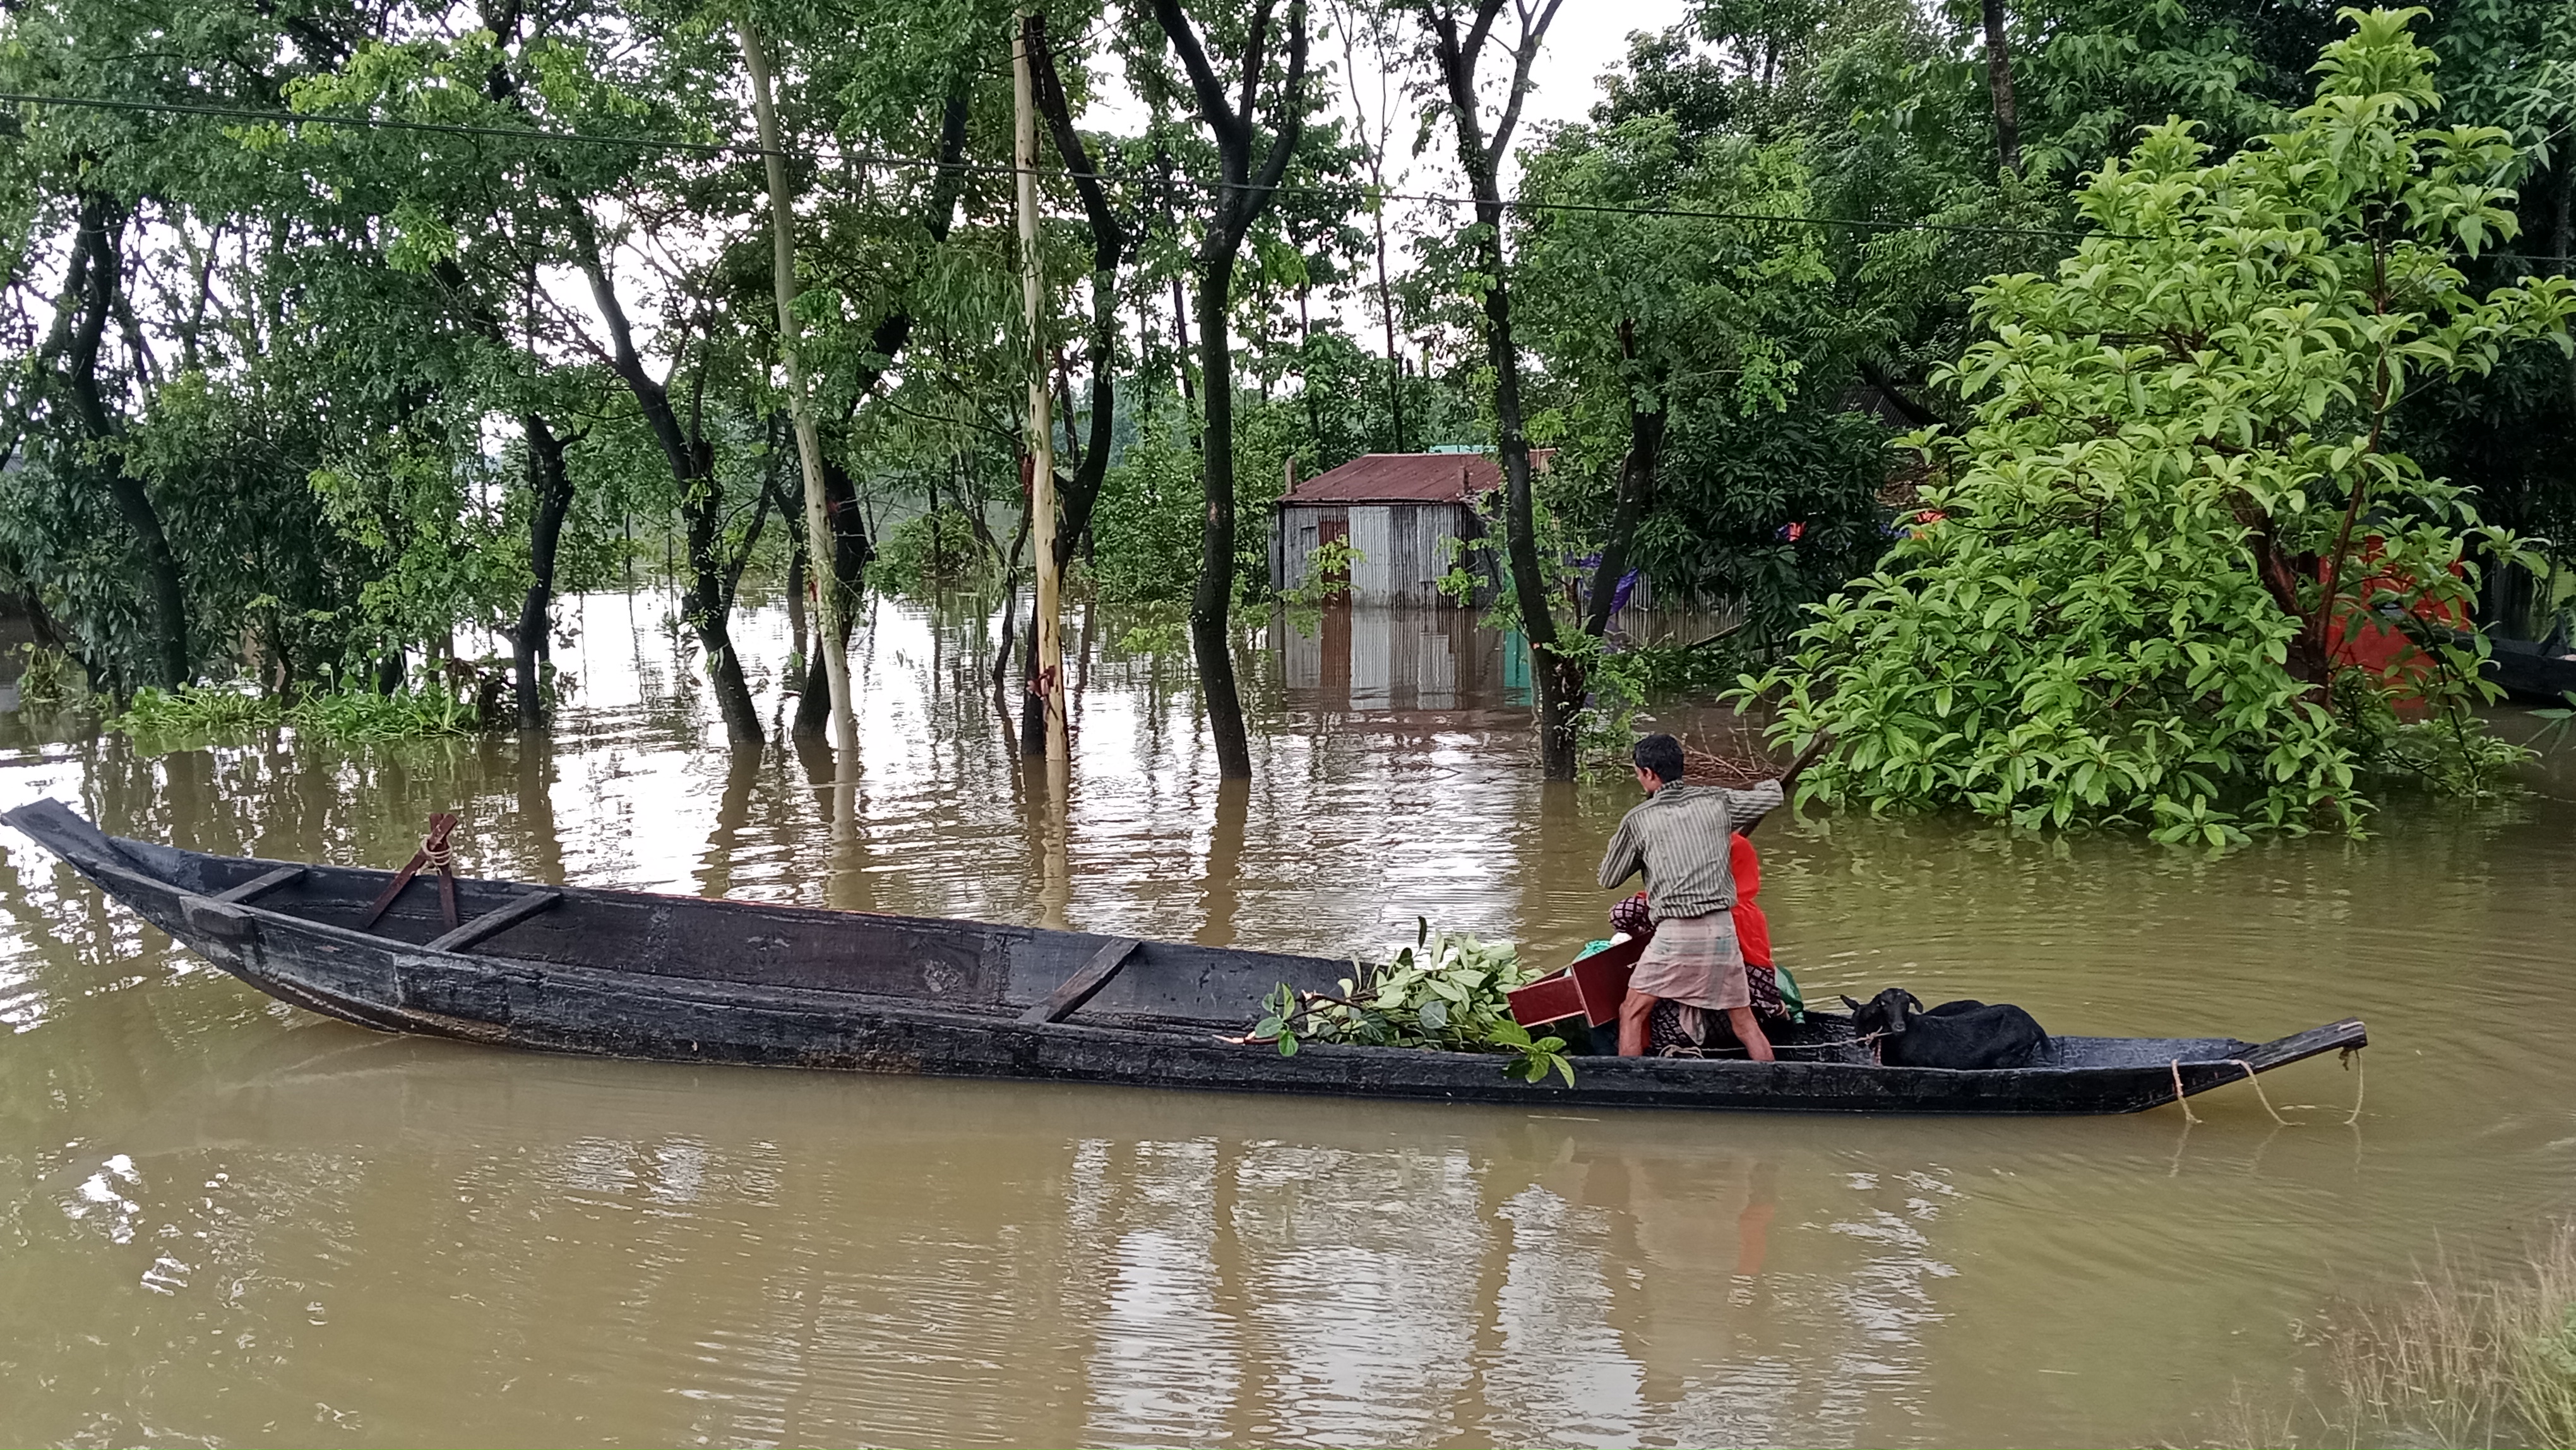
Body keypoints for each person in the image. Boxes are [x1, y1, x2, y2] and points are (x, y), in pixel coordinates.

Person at [1597, 733, 1783, 1060]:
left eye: (1638, 773)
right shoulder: (1718, 801)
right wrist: (1765, 786)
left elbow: (1609, 878)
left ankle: (1631, 1085)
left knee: (1632, 1012)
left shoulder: (1638, 820)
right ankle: (1771, 1087)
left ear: (1649, 774)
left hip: (1676, 935)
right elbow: (1773, 797)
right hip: (1722, 932)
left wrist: (1642, 854)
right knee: (1745, 1023)